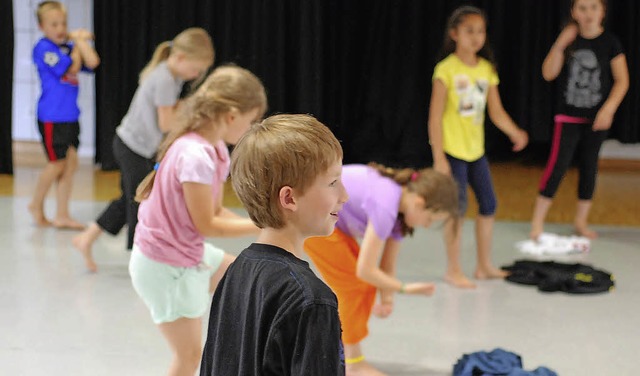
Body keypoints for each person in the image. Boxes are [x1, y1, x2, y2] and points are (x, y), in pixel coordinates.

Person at [129, 65, 267, 376]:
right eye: (250, 121)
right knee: (189, 358)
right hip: (166, 266)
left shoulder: (213, 147)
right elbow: (209, 226)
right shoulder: (196, 156)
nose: (250, 128)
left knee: (243, 278)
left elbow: (216, 213)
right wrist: (266, 224)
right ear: (231, 115)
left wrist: (260, 225)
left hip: (184, 253)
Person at [200, 114, 348, 375]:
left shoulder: (235, 273)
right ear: (289, 198)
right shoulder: (312, 300)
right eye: (333, 183)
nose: (345, 196)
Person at [72, 28, 214, 271]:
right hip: (133, 148)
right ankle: (143, 259)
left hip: (131, 145)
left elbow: (168, 112)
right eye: (196, 69)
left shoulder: (171, 75)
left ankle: (86, 238)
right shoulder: (166, 79)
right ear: (180, 58)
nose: (196, 75)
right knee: (141, 201)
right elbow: (166, 124)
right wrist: (194, 110)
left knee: (130, 197)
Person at [304, 164, 459, 376]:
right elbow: (365, 270)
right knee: (356, 287)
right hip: (312, 217)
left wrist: (387, 299)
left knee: (364, 286)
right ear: (420, 203)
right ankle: (353, 364)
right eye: (430, 219)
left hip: (330, 222)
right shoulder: (386, 205)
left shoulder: (400, 214)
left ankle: (347, 357)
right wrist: (405, 289)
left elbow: (387, 265)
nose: (426, 225)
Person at [427, 5, 529, 289]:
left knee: (489, 204)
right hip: (452, 151)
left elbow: (495, 111)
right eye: (469, 31)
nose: (476, 37)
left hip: (476, 151)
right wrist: (439, 157)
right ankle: (453, 269)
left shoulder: (486, 69)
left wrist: (515, 132)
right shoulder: (445, 69)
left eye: (480, 31)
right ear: (454, 34)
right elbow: (434, 117)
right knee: (456, 211)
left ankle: (483, 265)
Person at [530, 0, 629, 240]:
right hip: (568, 117)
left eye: (594, 7)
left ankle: (580, 221)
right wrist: (560, 44)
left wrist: (608, 109)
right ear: (574, 12)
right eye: (583, 8)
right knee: (558, 166)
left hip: (596, 119)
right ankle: (537, 222)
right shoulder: (569, 42)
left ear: (603, 11)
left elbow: (622, 80)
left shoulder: (611, 43)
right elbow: (548, 73)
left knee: (589, 167)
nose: (588, 14)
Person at [29, 1, 100, 229]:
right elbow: (70, 68)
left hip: (70, 115)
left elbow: (93, 61)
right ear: (42, 26)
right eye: (54, 24)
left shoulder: (68, 46)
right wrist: (78, 41)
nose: (60, 28)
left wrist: (77, 40)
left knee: (70, 164)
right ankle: (35, 203)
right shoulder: (43, 48)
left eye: (64, 23)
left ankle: (62, 214)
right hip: (52, 116)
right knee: (57, 163)